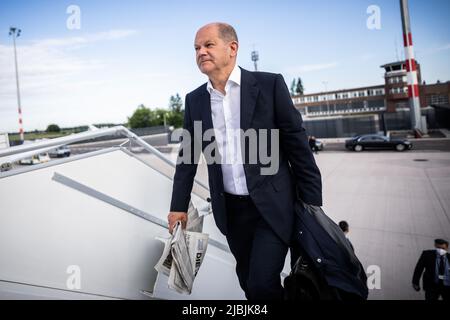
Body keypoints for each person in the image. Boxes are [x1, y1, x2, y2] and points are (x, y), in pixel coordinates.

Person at [167, 22, 322, 300]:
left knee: (262, 284)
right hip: (231, 211)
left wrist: (313, 204)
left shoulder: (269, 85)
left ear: (232, 48)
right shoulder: (195, 101)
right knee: (249, 283)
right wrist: (178, 207)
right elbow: (188, 159)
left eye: (208, 45)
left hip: (272, 208)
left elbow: (297, 146)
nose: (201, 52)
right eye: (196, 48)